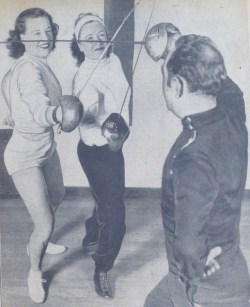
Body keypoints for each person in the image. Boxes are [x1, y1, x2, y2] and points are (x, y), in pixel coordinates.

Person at [144, 34, 250, 306]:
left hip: (203, 285)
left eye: (164, 73)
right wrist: (182, 45)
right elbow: (231, 89)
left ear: (176, 85)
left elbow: (189, 245)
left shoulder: (192, 157)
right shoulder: (233, 116)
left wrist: (194, 274)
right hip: (230, 264)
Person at [2, 8, 67, 304]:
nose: (45, 37)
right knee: (44, 223)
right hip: (24, 157)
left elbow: (7, 83)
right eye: (36, 32)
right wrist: (52, 114)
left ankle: (43, 240)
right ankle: (34, 272)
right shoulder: (28, 69)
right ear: (22, 37)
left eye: (48, 31)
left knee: (59, 194)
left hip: (45, 148)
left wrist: (10, 111)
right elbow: (37, 101)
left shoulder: (35, 62)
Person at [71, 13, 130, 299]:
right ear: (79, 45)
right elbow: (84, 110)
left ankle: (93, 231)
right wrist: (89, 110)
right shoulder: (85, 75)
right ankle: (103, 267)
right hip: (95, 151)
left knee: (109, 197)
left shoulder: (113, 60)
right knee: (115, 214)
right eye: (89, 38)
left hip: (112, 147)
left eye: (101, 35)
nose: (97, 41)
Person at [144, 23, 246, 123]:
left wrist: (166, 67)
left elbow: (172, 104)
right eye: (165, 55)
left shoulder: (199, 56)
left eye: (167, 53)